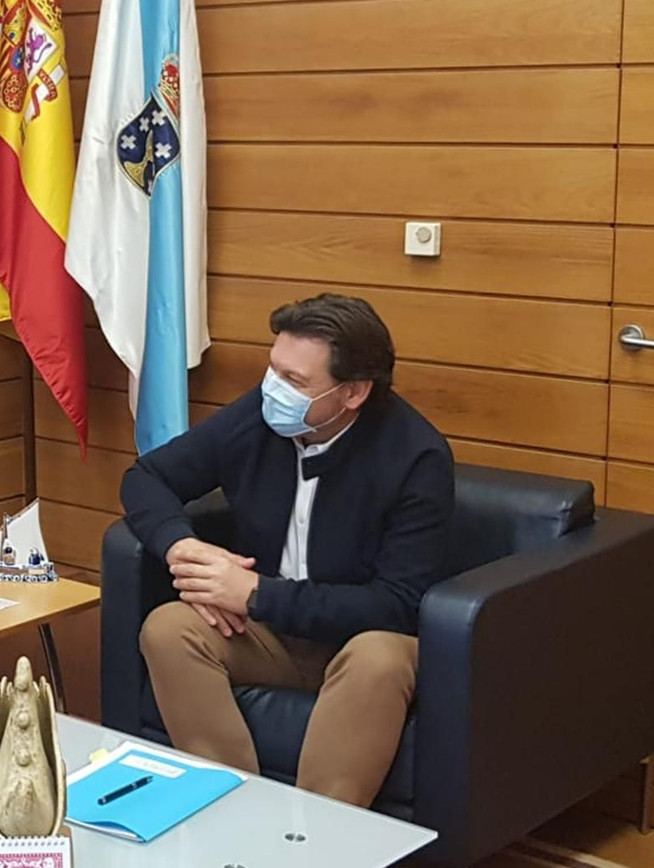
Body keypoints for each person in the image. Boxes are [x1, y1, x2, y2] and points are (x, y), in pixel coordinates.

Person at [122, 294, 454, 807]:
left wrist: (254, 594)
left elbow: (397, 605)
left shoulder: (416, 457)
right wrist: (183, 549)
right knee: (169, 628)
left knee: (378, 660)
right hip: (270, 637)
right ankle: (232, 813)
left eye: (295, 382)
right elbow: (146, 478)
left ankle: (311, 843)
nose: (274, 390)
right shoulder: (258, 417)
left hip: (359, 641)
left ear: (354, 393)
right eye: (273, 370)